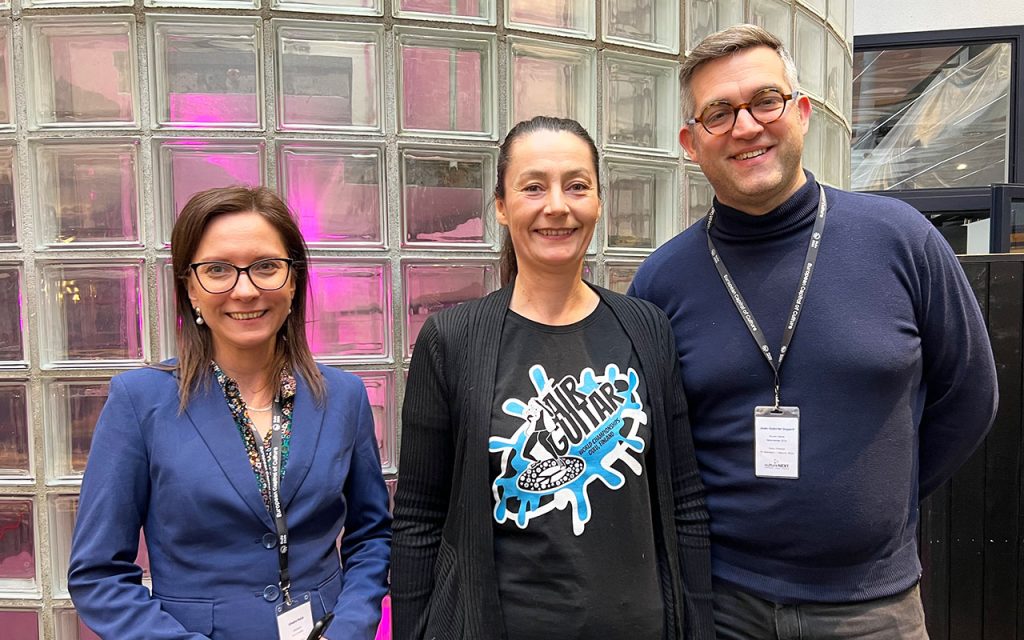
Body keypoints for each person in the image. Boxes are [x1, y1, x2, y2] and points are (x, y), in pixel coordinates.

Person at [628, 24, 999, 639]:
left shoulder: (901, 241)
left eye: (765, 101)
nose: (746, 127)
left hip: (874, 609)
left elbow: (969, 396)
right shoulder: (662, 281)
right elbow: (654, 446)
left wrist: (882, 501)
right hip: (722, 606)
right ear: (691, 144)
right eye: (718, 113)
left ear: (801, 113)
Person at [391, 116, 714, 640]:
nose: (557, 206)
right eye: (534, 186)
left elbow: (685, 501)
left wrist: (697, 622)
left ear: (599, 203)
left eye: (577, 186)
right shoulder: (451, 340)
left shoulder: (646, 327)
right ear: (500, 206)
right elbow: (417, 520)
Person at [68, 186, 391, 640]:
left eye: (266, 267)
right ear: (190, 288)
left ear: (294, 280)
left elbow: (371, 537)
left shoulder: (344, 397)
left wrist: (351, 627)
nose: (245, 290)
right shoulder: (139, 402)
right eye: (217, 270)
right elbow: (97, 576)